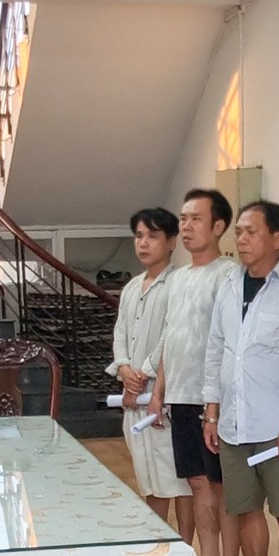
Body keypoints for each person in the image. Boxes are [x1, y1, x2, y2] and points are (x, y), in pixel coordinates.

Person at [202, 200, 279, 556]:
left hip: (275, 424)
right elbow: (216, 349)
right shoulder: (229, 284)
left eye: (251, 232)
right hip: (233, 422)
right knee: (245, 511)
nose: (241, 239)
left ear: (277, 239)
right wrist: (211, 412)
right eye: (239, 232)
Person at [164, 188, 244, 556]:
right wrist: (160, 392)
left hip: (212, 399)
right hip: (180, 395)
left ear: (218, 226)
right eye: (183, 218)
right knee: (197, 482)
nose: (187, 226)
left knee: (220, 485)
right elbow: (170, 339)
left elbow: (230, 342)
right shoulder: (178, 278)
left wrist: (216, 404)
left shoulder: (228, 275)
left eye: (196, 218)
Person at [109, 208, 184, 520]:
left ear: (171, 242)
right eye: (139, 236)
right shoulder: (131, 287)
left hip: (163, 394)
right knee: (148, 479)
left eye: (153, 236)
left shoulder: (178, 283)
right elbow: (120, 333)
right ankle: (158, 538)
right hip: (133, 395)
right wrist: (125, 368)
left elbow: (171, 334)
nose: (143, 243)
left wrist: (145, 373)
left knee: (177, 482)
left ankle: (183, 542)